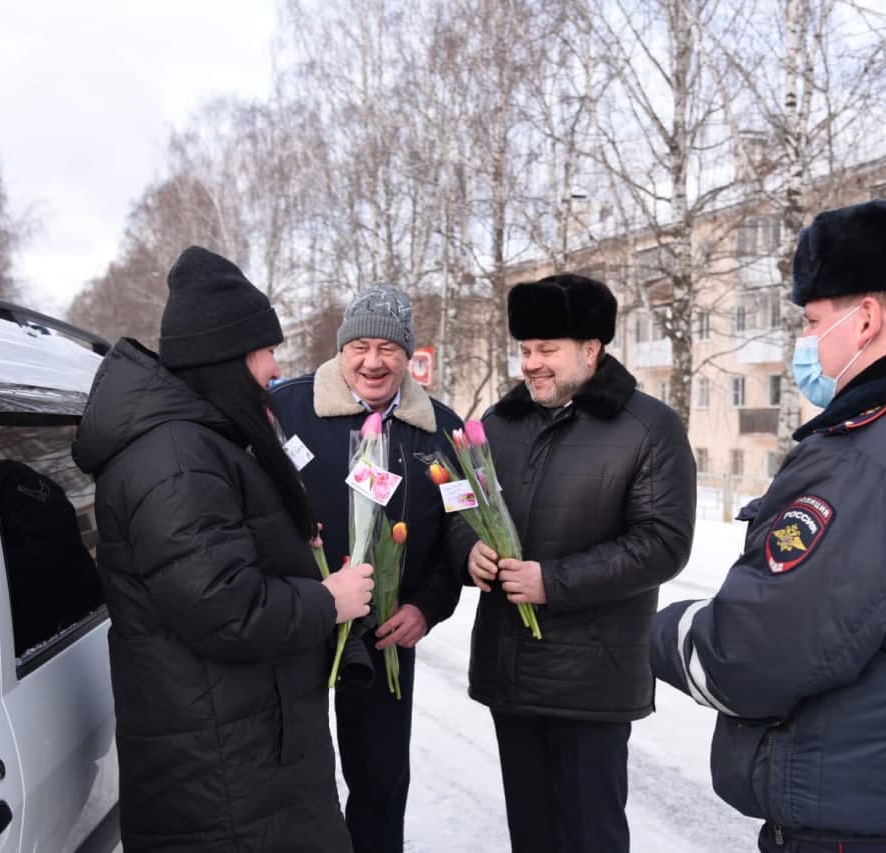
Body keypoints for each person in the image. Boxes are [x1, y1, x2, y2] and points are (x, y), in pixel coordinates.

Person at [649, 199, 886, 853]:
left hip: (862, 824)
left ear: (867, 320)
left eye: (813, 319)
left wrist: (657, 631)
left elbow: (752, 654)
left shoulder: (873, 458)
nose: (805, 340)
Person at [72, 245, 374, 853]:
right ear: (228, 357)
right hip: (221, 779)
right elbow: (223, 608)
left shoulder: (202, 444)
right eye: (266, 350)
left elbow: (212, 565)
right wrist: (326, 601)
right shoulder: (176, 458)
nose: (274, 365)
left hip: (245, 752)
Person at [456, 273, 697, 853]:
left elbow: (663, 542)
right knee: (532, 834)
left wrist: (552, 582)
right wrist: (468, 551)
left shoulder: (648, 427)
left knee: (591, 835)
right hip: (509, 671)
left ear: (592, 349)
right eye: (526, 350)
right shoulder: (498, 423)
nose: (530, 365)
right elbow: (459, 507)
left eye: (546, 351)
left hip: (591, 682)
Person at [270, 283, 465, 853]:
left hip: (384, 635)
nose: (374, 362)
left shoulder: (439, 430)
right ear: (340, 349)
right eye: (360, 346)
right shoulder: (287, 409)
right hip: (298, 622)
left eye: (388, 348)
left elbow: (460, 531)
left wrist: (427, 607)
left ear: (409, 355)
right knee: (292, 778)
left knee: (379, 781)